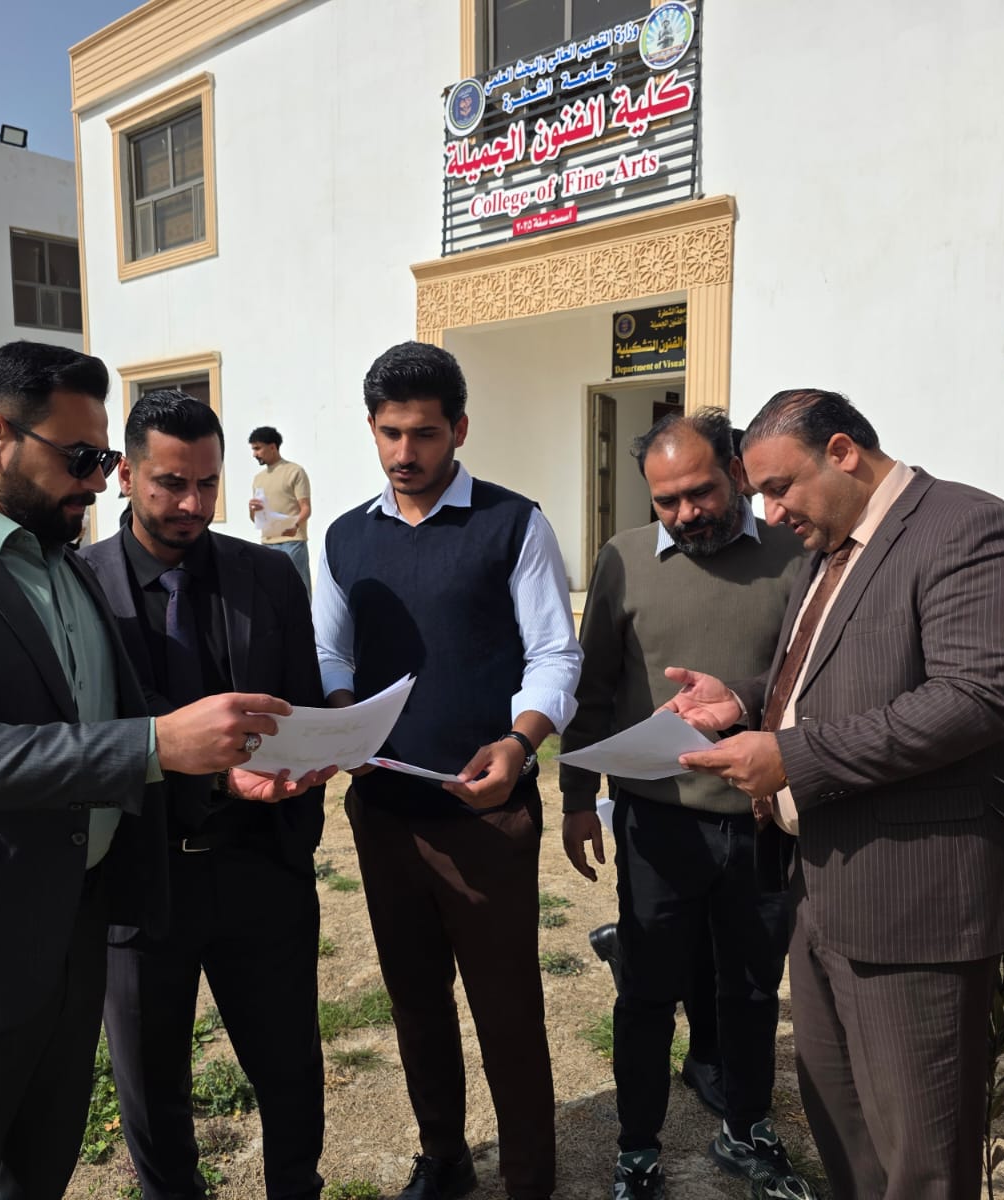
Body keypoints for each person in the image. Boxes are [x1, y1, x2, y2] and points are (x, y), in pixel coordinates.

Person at [0, 340, 294, 1200]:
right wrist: (155, 745)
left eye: (103, 460)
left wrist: (219, 772)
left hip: (72, 952)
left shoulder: (66, 570)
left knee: (37, 1181)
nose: (96, 482)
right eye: (80, 459)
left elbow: (96, 729)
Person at [664, 389, 1004, 1199]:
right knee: (843, 1129)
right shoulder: (828, 549)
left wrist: (791, 758)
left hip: (917, 901)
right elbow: (825, 678)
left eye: (779, 488)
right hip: (820, 887)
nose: (769, 514)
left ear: (842, 452)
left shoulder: (970, 529)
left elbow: (976, 697)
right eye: (760, 494)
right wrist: (743, 701)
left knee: (919, 1153)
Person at [314, 341, 581, 1200]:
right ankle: (444, 1158)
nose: (405, 453)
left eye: (424, 433)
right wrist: (344, 710)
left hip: (486, 817)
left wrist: (522, 742)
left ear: (459, 429)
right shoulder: (345, 536)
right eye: (390, 433)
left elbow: (554, 652)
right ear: (371, 428)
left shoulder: (513, 524)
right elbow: (330, 648)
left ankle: (530, 1179)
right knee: (415, 1000)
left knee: (508, 1009)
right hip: (383, 811)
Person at [81, 389, 334, 1200]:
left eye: (207, 483)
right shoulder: (77, 588)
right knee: (151, 1084)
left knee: (290, 1066)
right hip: (138, 878)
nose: (192, 504)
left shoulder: (268, 576)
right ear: (126, 476)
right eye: (170, 483)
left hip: (261, 864)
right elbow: (81, 732)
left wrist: (304, 781)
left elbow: (301, 702)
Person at [560, 410, 812, 1200]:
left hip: (762, 821)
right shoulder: (623, 558)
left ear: (737, 472)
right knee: (645, 994)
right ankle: (637, 1148)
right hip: (657, 824)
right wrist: (576, 797)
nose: (685, 513)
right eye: (666, 501)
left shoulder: (795, 555)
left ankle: (746, 1128)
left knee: (751, 990)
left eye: (700, 492)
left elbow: (811, 681)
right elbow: (593, 686)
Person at [247, 425, 312, 591]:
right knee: (271, 593)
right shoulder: (258, 479)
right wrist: (252, 510)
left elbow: (306, 508)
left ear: (272, 447)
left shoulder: (295, 471)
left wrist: (294, 524)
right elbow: (256, 519)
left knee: (298, 590)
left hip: (292, 543)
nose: (254, 454)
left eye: (257, 448)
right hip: (267, 544)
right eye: (253, 449)